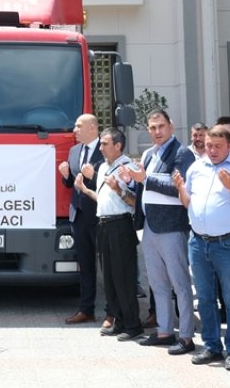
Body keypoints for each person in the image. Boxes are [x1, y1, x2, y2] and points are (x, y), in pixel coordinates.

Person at [175, 125, 230, 372]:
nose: (211, 150)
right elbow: (187, 202)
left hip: (229, 244)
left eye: (217, 146)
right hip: (198, 242)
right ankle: (211, 346)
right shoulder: (196, 167)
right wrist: (181, 188)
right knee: (204, 298)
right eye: (209, 145)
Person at [126, 110, 196, 354]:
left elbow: (180, 187)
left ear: (171, 126)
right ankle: (165, 331)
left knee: (180, 284)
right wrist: (132, 178)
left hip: (172, 227)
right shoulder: (148, 153)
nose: (157, 131)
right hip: (149, 226)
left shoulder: (182, 153)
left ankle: (186, 336)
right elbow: (144, 186)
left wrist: (145, 178)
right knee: (157, 283)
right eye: (152, 127)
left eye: (161, 126)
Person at [77, 128, 142, 341]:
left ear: (118, 145)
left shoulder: (128, 167)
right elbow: (104, 200)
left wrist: (119, 189)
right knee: (110, 278)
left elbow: (134, 201)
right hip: (103, 224)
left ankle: (133, 325)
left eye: (105, 144)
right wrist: (85, 190)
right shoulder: (104, 166)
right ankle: (119, 320)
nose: (101, 147)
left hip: (121, 226)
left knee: (123, 277)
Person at [58, 114, 105, 326]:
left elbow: (109, 182)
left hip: (101, 216)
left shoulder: (105, 149)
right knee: (85, 266)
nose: (74, 130)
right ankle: (86, 309)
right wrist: (65, 175)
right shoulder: (74, 151)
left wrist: (93, 175)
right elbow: (72, 184)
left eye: (79, 126)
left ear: (93, 127)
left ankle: (112, 312)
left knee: (108, 266)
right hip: (78, 216)